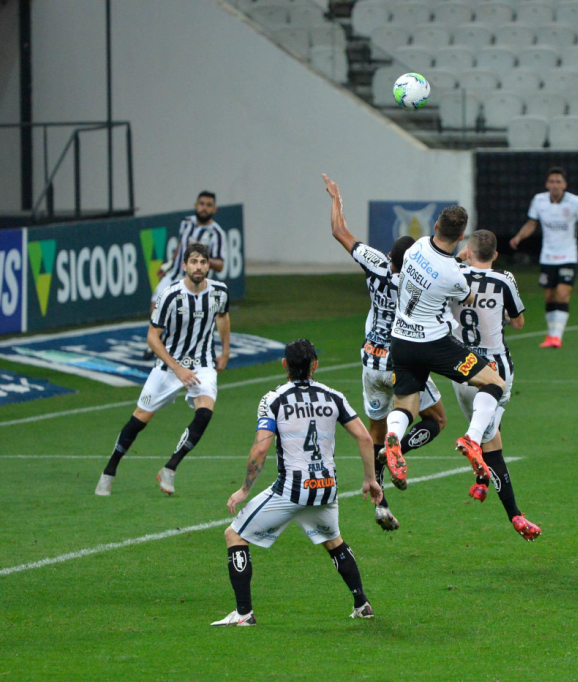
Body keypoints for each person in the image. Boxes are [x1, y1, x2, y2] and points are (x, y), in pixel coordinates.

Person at [212, 339, 383, 626]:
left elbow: (260, 449)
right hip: (326, 487)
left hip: (292, 489)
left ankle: (243, 614)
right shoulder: (334, 396)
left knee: (234, 535)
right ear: (315, 364)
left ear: (284, 365)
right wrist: (370, 479)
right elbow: (366, 438)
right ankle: (361, 603)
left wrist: (244, 489)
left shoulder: (273, 399)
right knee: (333, 541)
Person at [323, 174, 449, 531]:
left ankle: (381, 506)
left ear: (389, 256)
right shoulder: (419, 282)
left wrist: (336, 196)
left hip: (370, 365)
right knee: (436, 420)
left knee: (376, 432)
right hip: (402, 365)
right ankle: (399, 451)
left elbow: (339, 230)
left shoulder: (375, 263)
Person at [381, 205, 506, 488]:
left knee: (406, 405)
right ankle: (472, 438)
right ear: (462, 236)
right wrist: (461, 265)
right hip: (434, 344)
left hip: (401, 339)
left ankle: (393, 439)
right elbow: (469, 298)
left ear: (435, 226)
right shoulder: (454, 275)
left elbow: (435, 266)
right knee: (494, 382)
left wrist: (455, 262)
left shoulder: (415, 248)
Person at [95, 243, 230, 496]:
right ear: (184, 265)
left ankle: (170, 468)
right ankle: (109, 471)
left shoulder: (220, 292)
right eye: (193, 262)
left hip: (202, 364)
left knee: (205, 413)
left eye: (203, 262)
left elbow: (222, 316)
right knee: (139, 420)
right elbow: (152, 338)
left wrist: (225, 350)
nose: (198, 266)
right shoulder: (169, 295)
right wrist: (177, 369)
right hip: (169, 366)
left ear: (208, 265)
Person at [451, 229, 541, 541]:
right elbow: (518, 322)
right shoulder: (505, 279)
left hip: (461, 368)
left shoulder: (455, 274)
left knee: (492, 435)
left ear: (468, 250)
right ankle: (515, 514)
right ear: (496, 255)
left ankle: (482, 483)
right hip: (494, 368)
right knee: (490, 445)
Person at [509, 166, 578, 348]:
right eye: (552, 181)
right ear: (547, 183)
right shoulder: (539, 200)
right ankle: (550, 335)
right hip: (548, 256)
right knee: (549, 296)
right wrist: (519, 236)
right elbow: (532, 223)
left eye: (558, 181)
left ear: (565, 184)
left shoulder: (575, 202)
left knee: (563, 294)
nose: (555, 185)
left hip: (568, 255)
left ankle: (557, 336)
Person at [144, 191, 227, 359]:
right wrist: (168, 265)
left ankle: (180, 347)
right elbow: (181, 245)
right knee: (155, 307)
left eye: (208, 205)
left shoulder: (216, 233)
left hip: (193, 280)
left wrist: (202, 255)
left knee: (185, 317)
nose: (204, 208)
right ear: (196, 205)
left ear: (214, 209)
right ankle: (156, 341)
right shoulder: (186, 222)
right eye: (202, 203)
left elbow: (220, 264)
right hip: (174, 273)